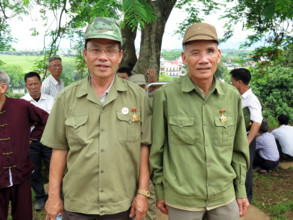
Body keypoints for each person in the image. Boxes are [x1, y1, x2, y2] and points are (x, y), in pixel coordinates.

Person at [41, 17, 152, 220]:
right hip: (77, 204)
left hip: (122, 203)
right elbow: (59, 149)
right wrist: (54, 196)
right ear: (85, 54)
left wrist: (142, 193)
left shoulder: (138, 97)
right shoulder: (66, 98)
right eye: (95, 50)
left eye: (110, 50)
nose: (103, 57)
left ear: (120, 56)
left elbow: (144, 147)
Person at [150, 23, 250, 220]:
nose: (204, 60)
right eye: (195, 53)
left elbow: (238, 150)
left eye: (210, 51)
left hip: (224, 196)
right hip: (182, 199)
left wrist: (240, 190)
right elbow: (157, 151)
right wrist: (160, 191)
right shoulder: (165, 97)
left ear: (218, 55)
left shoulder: (231, 96)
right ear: (184, 58)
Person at [0, 70, 48, 219]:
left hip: (21, 173)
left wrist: (32, 137)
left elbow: (46, 120)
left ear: (2, 88)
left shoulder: (21, 106)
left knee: (24, 216)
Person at [21, 71, 55, 210]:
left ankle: (57, 196)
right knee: (34, 171)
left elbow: (50, 120)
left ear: (40, 84)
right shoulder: (22, 102)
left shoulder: (50, 99)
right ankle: (40, 198)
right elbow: (24, 124)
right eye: (30, 84)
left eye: (36, 83)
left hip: (49, 140)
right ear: (26, 86)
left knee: (53, 168)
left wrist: (35, 121)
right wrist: (40, 119)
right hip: (31, 142)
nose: (33, 86)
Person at [230, 68, 263, 203]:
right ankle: (235, 194)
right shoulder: (237, 95)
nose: (231, 84)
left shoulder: (252, 99)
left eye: (232, 81)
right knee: (235, 164)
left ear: (239, 82)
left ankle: (247, 198)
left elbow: (257, 121)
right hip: (237, 137)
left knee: (246, 168)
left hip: (247, 138)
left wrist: (248, 141)